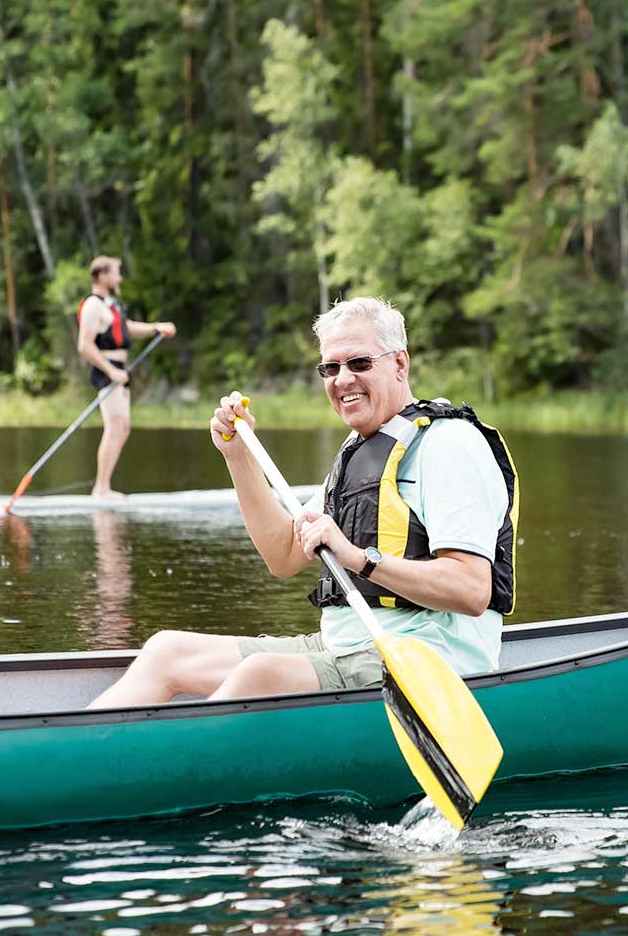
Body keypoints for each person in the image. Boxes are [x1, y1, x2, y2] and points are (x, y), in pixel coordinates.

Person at [88, 297, 518, 708]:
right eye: (329, 368)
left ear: (400, 364)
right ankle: (82, 754)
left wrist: (358, 558)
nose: (342, 379)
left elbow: (471, 589)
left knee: (260, 677)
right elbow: (283, 556)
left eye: (359, 363)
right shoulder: (360, 451)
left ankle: (147, 772)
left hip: (427, 660)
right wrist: (238, 456)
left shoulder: (449, 445)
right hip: (343, 648)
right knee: (167, 651)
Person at [75, 256, 177, 499]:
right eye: (116, 273)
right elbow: (84, 346)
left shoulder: (112, 305)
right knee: (115, 426)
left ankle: (103, 487)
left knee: (123, 427)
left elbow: (126, 327)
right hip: (107, 369)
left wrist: (156, 328)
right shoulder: (93, 305)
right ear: (101, 276)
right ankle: (101, 489)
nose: (119, 278)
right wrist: (111, 372)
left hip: (119, 370)